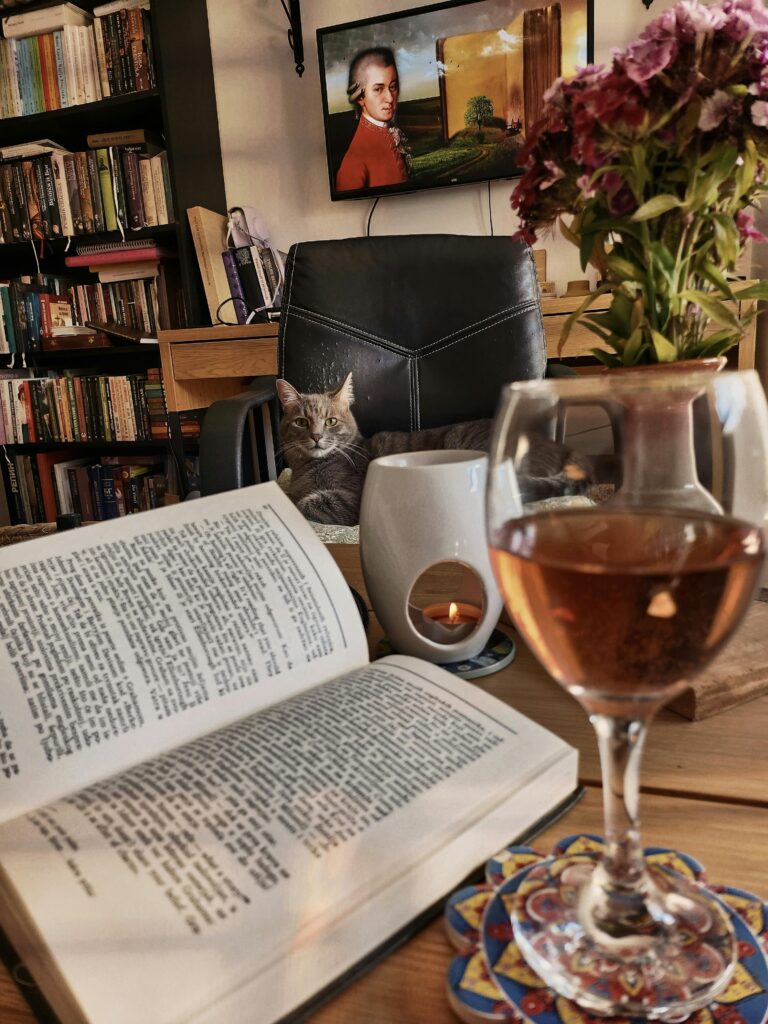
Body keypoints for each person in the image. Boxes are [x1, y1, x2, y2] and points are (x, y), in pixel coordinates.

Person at [335, 47, 411, 192]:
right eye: (378, 89)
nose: (389, 98)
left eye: (393, 87)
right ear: (360, 97)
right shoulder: (353, 164)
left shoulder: (388, 131)